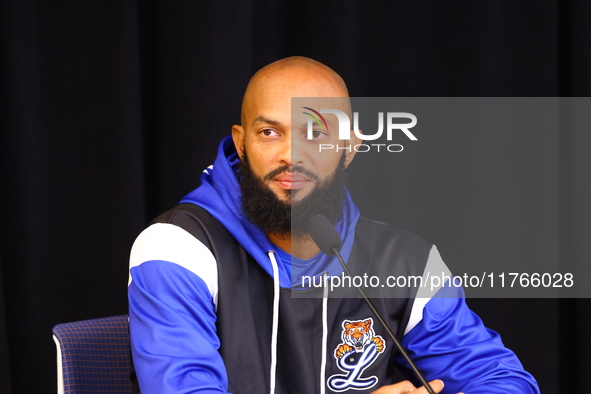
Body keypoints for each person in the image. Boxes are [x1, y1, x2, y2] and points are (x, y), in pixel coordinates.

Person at [128, 56, 540, 394]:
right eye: (270, 132)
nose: (291, 154)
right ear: (241, 143)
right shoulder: (177, 249)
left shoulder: (404, 260)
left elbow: (502, 381)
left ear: (349, 148)